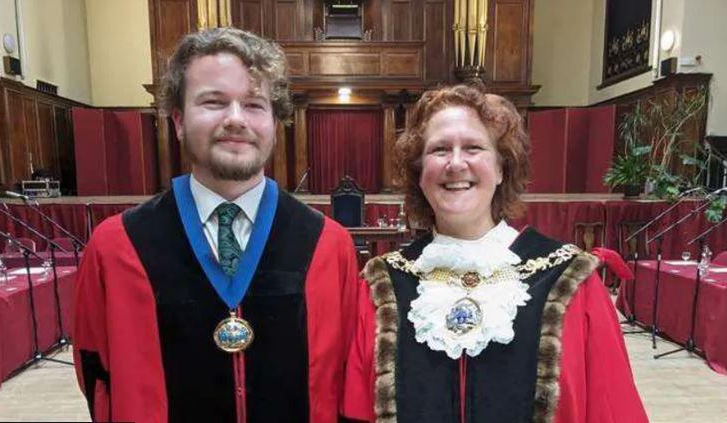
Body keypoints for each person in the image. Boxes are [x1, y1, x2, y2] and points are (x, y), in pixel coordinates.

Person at [72, 27, 359, 423]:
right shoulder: (116, 247)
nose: (236, 119)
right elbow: (98, 379)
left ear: (275, 123)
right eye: (213, 102)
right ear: (178, 120)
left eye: (255, 105)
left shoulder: (329, 246)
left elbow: (349, 385)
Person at [342, 85, 648, 422]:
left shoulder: (570, 280)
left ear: (502, 168)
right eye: (439, 150)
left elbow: (613, 408)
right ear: (420, 174)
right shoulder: (383, 285)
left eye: (473, 147)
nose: (456, 163)